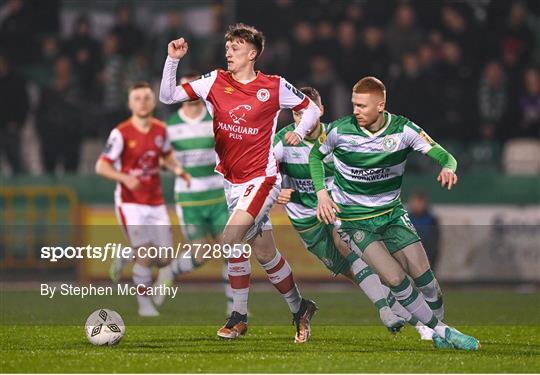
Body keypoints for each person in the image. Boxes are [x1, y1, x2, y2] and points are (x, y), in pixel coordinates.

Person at [159, 23, 321, 342]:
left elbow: (311, 108)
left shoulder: (274, 86)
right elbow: (167, 96)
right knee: (265, 254)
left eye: (235, 47)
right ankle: (300, 308)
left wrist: (299, 133)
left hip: (263, 178)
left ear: (252, 53)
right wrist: (172, 60)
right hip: (232, 183)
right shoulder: (214, 81)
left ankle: (239, 317)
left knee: (230, 238)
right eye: (227, 46)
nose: (228, 52)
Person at [309, 76, 480, 350]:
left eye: (362, 106)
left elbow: (445, 156)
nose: (355, 111)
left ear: (381, 105)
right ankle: (447, 333)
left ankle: (438, 333)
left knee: (428, 282)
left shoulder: (403, 130)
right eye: (354, 104)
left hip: (391, 215)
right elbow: (315, 156)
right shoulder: (339, 131)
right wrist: (321, 194)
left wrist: (449, 168)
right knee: (395, 278)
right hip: (355, 222)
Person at [274, 86, 440, 338]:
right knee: (352, 271)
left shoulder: (337, 135)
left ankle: (391, 313)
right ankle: (405, 314)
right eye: (296, 115)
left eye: (306, 113)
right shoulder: (282, 140)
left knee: (348, 246)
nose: (302, 120)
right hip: (305, 220)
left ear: (320, 111)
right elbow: (264, 172)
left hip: (339, 209)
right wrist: (277, 190)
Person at [95, 82, 191, 317]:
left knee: (165, 259)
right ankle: (145, 304)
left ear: (154, 101)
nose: (142, 102)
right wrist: (124, 178)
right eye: (137, 98)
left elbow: (167, 157)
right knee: (146, 254)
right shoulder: (121, 133)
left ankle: (125, 254)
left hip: (155, 201)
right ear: (129, 103)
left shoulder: (160, 130)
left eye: (147, 98)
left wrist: (178, 170)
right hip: (130, 203)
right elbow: (101, 166)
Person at [157, 72, 233, 313]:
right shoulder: (170, 127)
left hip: (218, 195)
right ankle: (170, 270)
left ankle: (236, 309)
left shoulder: (214, 118)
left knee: (232, 249)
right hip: (190, 198)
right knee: (201, 255)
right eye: (184, 88)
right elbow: (160, 159)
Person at [407, 191, 440, 271]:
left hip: (427, 257)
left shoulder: (431, 220)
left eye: (420, 202)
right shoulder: (406, 219)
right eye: (415, 202)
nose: (418, 205)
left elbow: (434, 242)